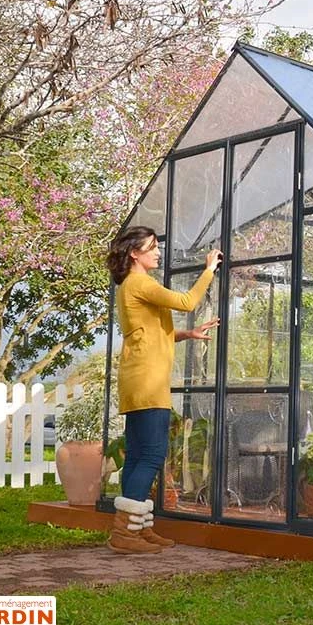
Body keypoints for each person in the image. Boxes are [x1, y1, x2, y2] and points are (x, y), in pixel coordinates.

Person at [105, 226, 222, 554]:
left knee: (137, 454)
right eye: (152, 247)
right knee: (153, 454)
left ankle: (138, 529)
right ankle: (125, 533)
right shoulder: (140, 283)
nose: (158, 253)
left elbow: (150, 334)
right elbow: (186, 301)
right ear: (134, 253)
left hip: (138, 379)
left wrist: (188, 334)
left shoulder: (130, 286)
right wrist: (209, 269)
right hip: (148, 382)